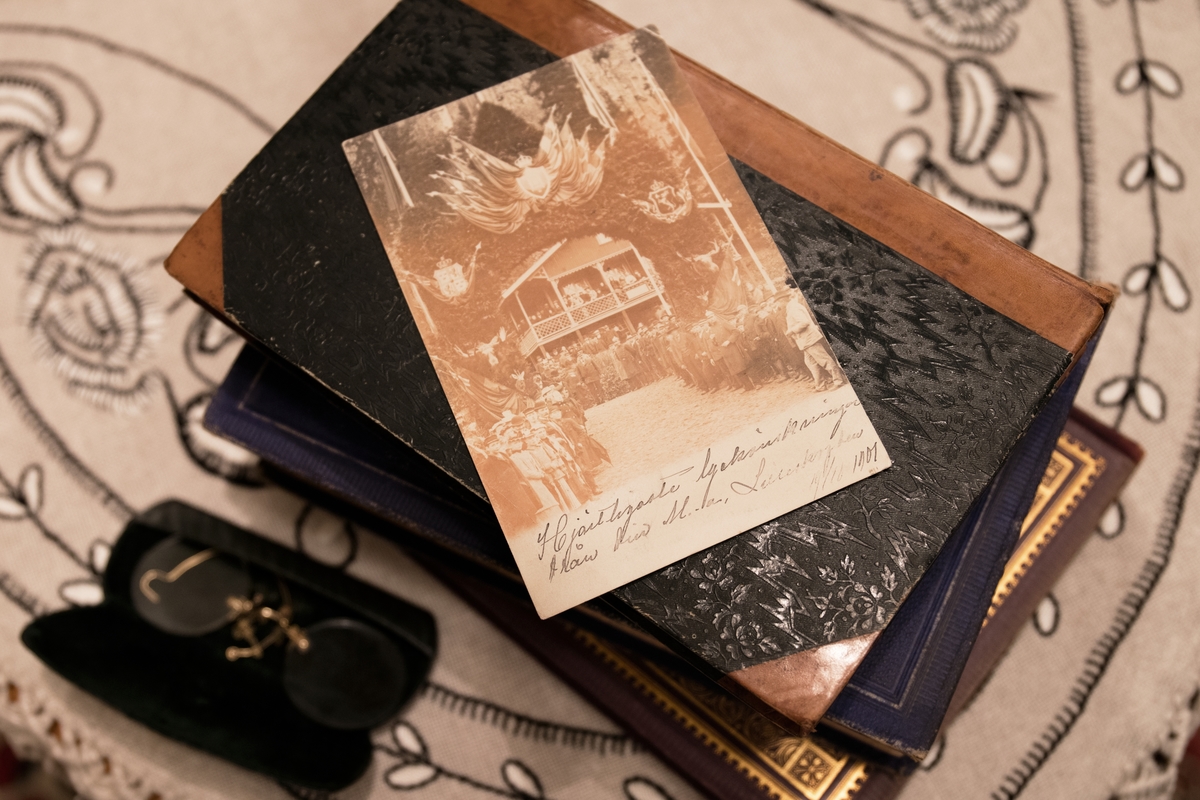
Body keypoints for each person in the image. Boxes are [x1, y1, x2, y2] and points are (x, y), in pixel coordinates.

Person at [785, 290, 840, 390]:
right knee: (811, 364)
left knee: (824, 360)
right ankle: (820, 385)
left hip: (809, 339)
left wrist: (792, 330)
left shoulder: (794, 308)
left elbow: (804, 322)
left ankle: (838, 380)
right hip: (805, 341)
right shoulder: (793, 307)